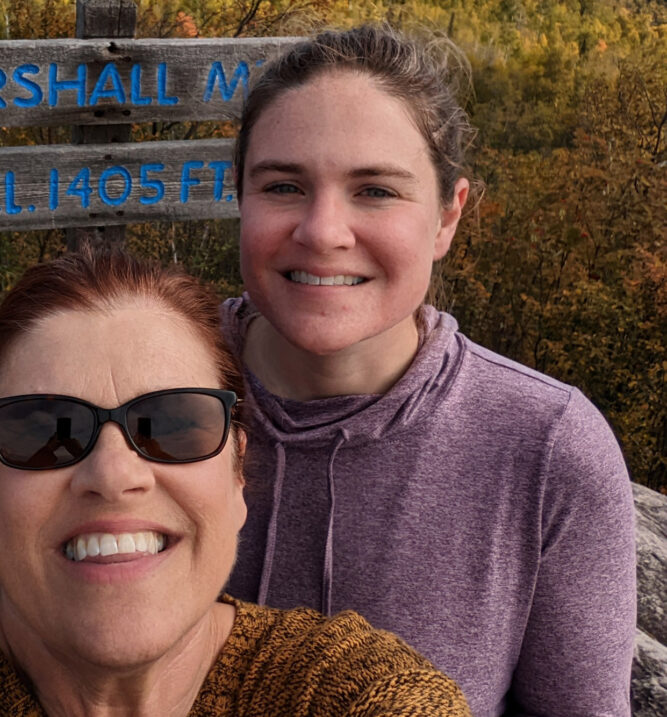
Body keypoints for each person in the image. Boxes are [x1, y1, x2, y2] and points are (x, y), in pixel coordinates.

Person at [0, 250, 473, 716]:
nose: (112, 473)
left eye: (173, 422)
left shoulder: (344, 692)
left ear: (235, 478)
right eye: (43, 428)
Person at [226, 23, 636, 717]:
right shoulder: (148, 395)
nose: (323, 230)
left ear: (447, 216)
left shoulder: (541, 448)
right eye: (284, 185)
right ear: (238, 196)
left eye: (375, 190)